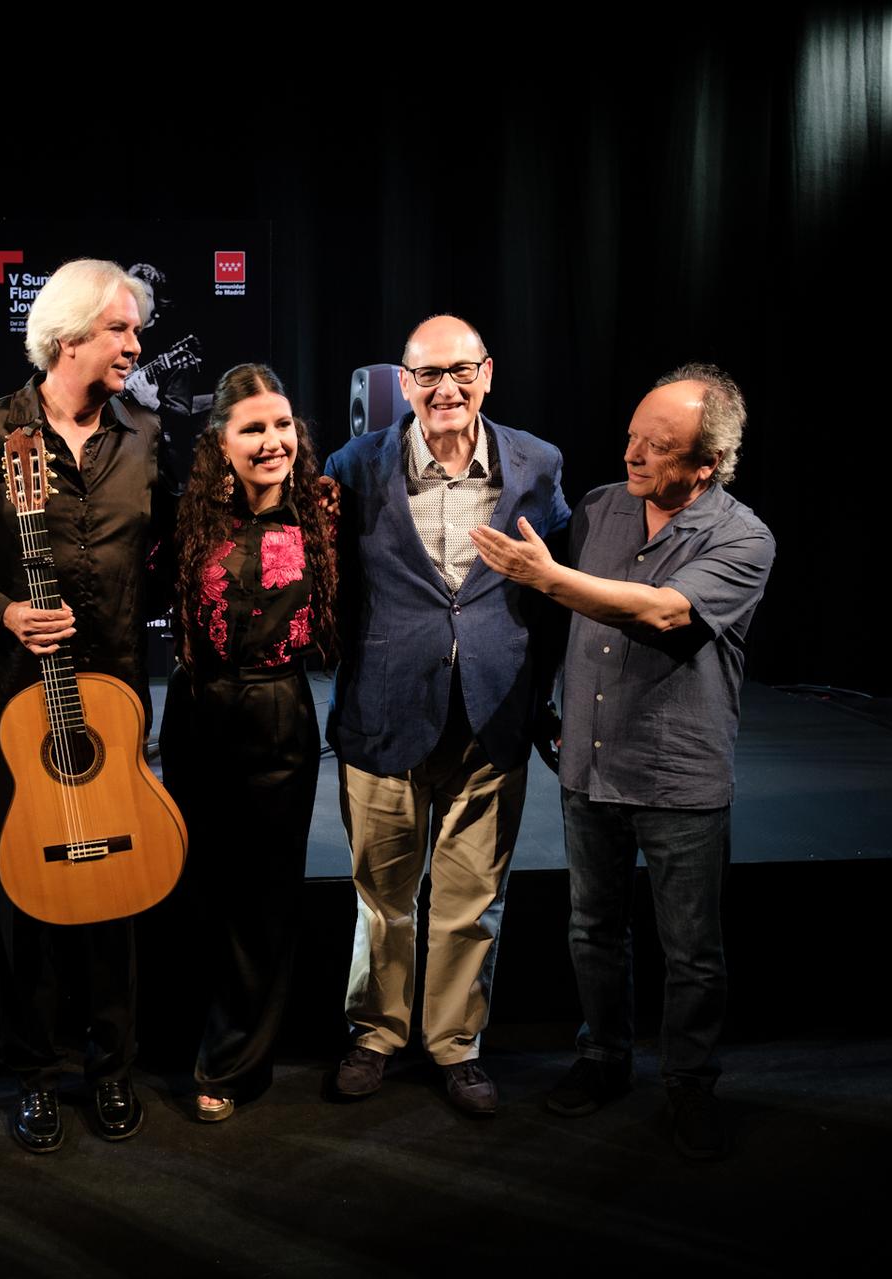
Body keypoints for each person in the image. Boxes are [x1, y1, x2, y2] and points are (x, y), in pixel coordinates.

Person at [469, 363, 775, 1159]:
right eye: (633, 434)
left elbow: (665, 611)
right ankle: (603, 1058)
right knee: (592, 929)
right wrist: (542, 711)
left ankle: (688, 1086)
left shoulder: (742, 537)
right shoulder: (603, 508)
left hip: (679, 776)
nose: (633, 453)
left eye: (658, 446)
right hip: (590, 768)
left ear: (705, 464)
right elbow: (550, 620)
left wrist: (552, 577)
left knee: (691, 950)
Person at [0, 259, 176, 1153]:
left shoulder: (145, 435)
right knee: (25, 895)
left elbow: (175, 552)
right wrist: (3, 611)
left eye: (134, 330)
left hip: (117, 709)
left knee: (119, 888)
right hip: (17, 712)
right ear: (68, 336)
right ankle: (32, 1072)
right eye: (121, 330)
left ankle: (112, 1067)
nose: (136, 346)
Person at [323, 315, 570, 1115]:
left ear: (487, 374)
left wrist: (546, 702)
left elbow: (557, 593)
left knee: (471, 898)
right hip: (385, 715)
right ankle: (377, 1033)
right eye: (426, 375)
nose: (444, 389)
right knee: (383, 896)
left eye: (460, 371)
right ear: (404, 381)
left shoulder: (538, 464)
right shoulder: (357, 465)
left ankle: (456, 1043)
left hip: (493, 712)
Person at [159, 364, 338, 1122]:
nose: (273, 441)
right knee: (197, 882)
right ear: (220, 443)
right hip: (197, 711)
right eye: (254, 428)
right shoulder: (188, 518)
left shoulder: (326, 509)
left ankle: (235, 1059)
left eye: (283, 425)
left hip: (277, 713)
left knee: (264, 894)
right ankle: (190, 1027)